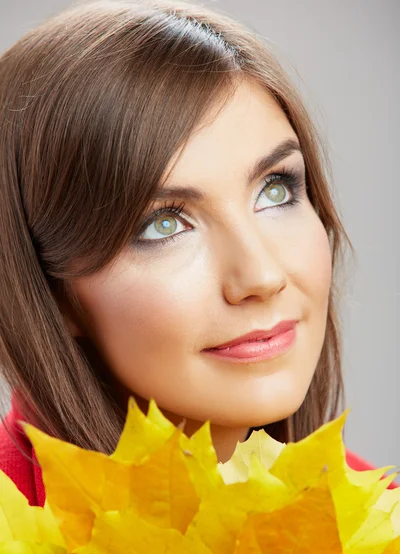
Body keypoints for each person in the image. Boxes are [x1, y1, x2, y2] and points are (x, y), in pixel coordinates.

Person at [0, 0, 396, 507]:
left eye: (275, 190)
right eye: (164, 223)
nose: (261, 275)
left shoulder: (382, 529)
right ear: (53, 292)